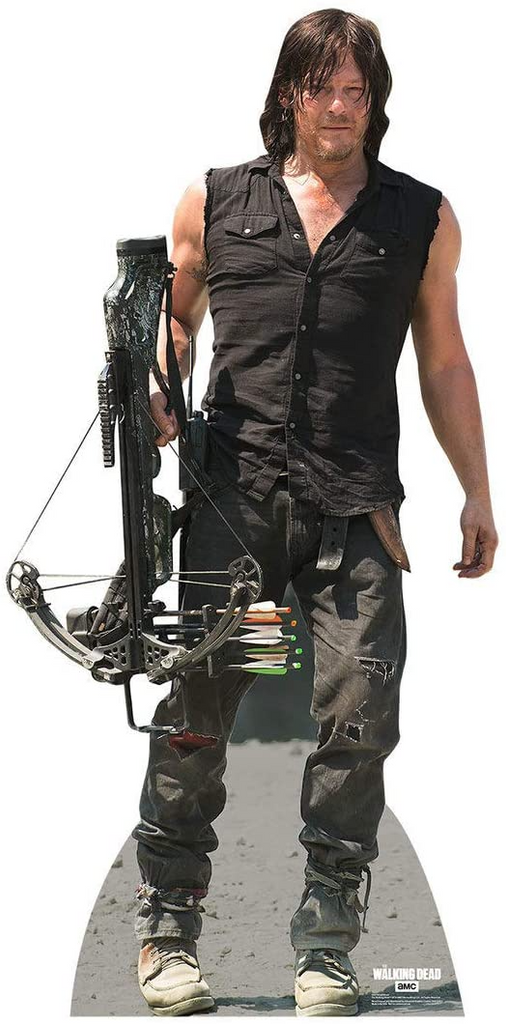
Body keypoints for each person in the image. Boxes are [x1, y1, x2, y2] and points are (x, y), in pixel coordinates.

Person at [133, 8, 498, 1016]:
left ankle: (326, 944)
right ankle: (168, 931)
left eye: (356, 92)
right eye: (322, 88)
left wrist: (477, 487)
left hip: (355, 512)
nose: (340, 108)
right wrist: (158, 380)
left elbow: (444, 360)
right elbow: (175, 319)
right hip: (236, 509)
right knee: (201, 712)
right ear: (286, 93)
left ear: (374, 103)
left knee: (358, 720)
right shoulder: (215, 200)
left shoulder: (418, 217)